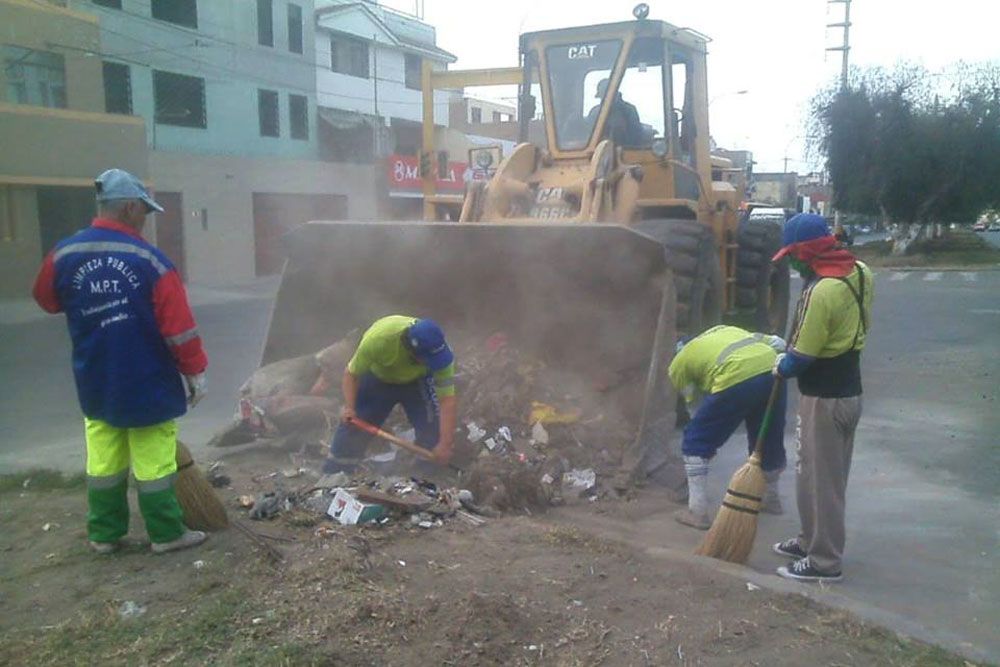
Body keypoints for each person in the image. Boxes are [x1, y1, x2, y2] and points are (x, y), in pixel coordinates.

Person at [32, 168, 208, 555]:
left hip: (95, 377)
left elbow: (46, 299)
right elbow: (178, 329)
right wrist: (195, 371)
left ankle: (105, 534)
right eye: (143, 210)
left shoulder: (65, 253)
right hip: (148, 381)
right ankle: (166, 534)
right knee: (154, 464)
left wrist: (92, 305)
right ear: (129, 207)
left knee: (104, 460)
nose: (145, 218)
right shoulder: (151, 261)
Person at [770, 213, 874, 582]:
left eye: (793, 255)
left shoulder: (821, 290)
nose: (792, 263)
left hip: (824, 399)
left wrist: (781, 364)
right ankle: (809, 539)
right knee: (813, 474)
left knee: (823, 482)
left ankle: (825, 561)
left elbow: (802, 357)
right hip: (848, 391)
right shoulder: (860, 272)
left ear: (807, 252)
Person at [668, 325, 788, 529]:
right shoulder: (722, 329)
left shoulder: (678, 363)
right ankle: (771, 498)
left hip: (737, 375)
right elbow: (779, 343)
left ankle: (697, 511)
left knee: (695, 440)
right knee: (767, 435)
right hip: (773, 371)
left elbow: (693, 404)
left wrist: (705, 446)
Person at [322, 315, 457, 473]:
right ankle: (337, 473)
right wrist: (350, 408)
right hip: (378, 378)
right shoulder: (379, 339)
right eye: (426, 358)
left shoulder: (441, 354)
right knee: (355, 423)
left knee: (433, 428)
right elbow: (351, 374)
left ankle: (426, 477)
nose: (433, 362)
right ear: (410, 350)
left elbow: (447, 401)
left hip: (417, 381)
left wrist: (445, 445)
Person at [589, 78, 645, 146]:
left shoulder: (629, 111)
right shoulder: (595, 113)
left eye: (602, 95)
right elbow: (588, 135)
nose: (602, 99)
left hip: (627, 153)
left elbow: (636, 137)